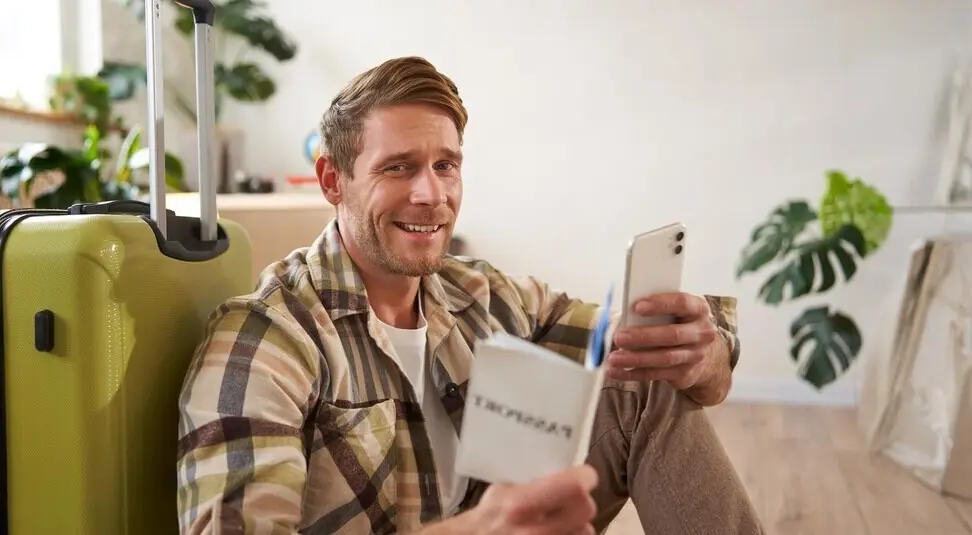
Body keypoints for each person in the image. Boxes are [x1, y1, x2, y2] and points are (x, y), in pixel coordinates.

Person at [175, 56, 763, 534]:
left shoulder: (480, 294)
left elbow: (672, 362)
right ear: (333, 180)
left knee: (644, 379)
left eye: (446, 165)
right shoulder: (264, 341)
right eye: (399, 168)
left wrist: (703, 357)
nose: (432, 194)